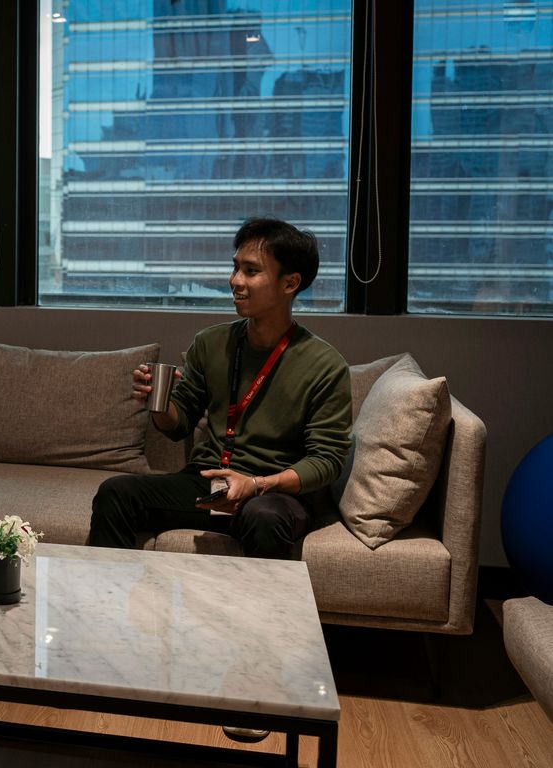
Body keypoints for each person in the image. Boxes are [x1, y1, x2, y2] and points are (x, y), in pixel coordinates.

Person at [85, 217, 352, 741]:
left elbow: (327, 461)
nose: (236, 280)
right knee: (116, 493)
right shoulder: (212, 343)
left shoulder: (324, 365)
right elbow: (178, 422)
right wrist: (157, 404)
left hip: (273, 492)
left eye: (251, 270)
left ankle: (257, 677)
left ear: (290, 283)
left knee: (266, 518)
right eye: (235, 267)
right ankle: (105, 640)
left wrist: (259, 484)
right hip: (209, 482)